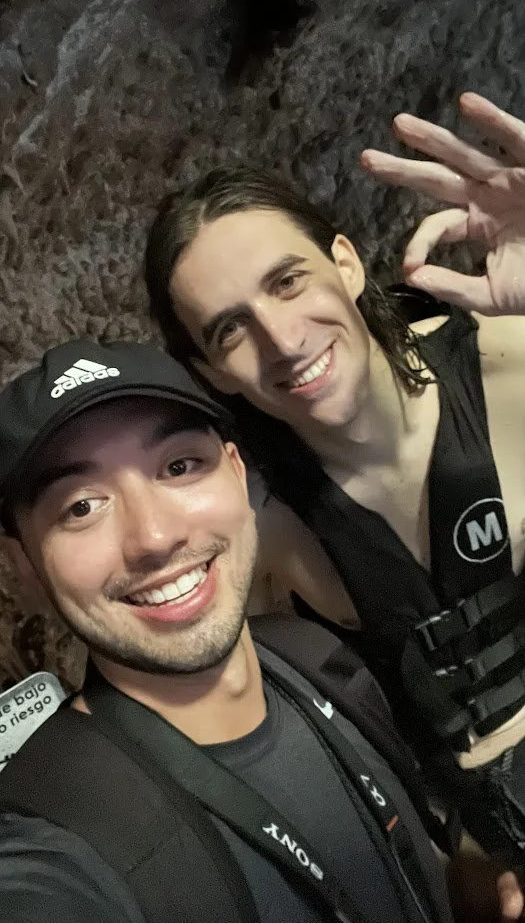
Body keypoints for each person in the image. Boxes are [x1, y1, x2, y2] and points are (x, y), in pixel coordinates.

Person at [144, 91, 525, 857]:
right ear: (210, 371)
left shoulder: (508, 367)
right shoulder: (259, 534)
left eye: (287, 282)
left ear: (344, 263)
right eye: (230, 328)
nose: (282, 340)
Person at [0, 336, 492, 923]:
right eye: (81, 506)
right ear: (23, 568)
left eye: (180, 466)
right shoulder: (56, 842)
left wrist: (465, 884)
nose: (155, 537)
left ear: (237, 475)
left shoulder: (317, 656)